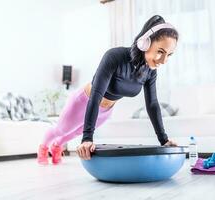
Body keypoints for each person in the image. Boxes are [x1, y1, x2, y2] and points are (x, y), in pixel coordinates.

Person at [37, 15, 179, 165]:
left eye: (169, 55)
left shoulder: (150, 71)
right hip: (84, 101)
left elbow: (152, 104)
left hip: (106, 110)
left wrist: (164, 140)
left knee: (76, 131)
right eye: (160, 51)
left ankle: (57, 146)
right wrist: (87, 139)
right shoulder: (115, 57)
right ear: (145, 42)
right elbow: (96, 95)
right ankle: (43, 147)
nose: (163, 61)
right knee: (62, 130)